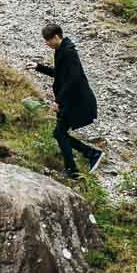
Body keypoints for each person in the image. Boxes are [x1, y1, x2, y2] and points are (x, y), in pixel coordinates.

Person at [35, 23, 103, 178]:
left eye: (48, 40)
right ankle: (90, 155)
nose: (46, 43)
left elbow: (73, 80)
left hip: (78, 103)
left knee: (59, 133)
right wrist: (38, 67)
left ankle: (75, 169)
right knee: (59, 133)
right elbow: (60, 75)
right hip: (71, 102)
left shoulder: (69, 53)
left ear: (57, 37)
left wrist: (58, 101)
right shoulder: (61, 50)